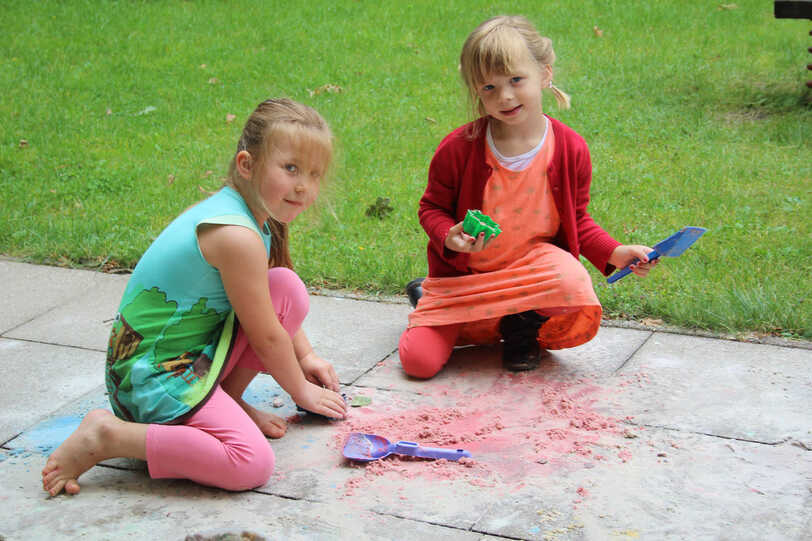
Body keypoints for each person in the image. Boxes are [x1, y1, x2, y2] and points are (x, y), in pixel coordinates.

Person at [42, 98, 347, 496]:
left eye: (314, 173)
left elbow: (269, 310)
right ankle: (109, 437)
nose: (304, 185)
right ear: (247, 165)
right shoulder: (237, 235)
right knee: (249, 463)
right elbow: (266, 336)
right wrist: (300, 389)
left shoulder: (247, 214)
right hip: (153, 382)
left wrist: (304, 357)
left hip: (177, 361)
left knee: (285, 287)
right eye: (290, 168)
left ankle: (225, 401)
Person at [400, 15, 658, 379]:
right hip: (467, 278)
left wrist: (616, 252)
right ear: (476, 90)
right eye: (488, 88)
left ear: (545, 74)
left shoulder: (570, 148)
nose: (504, 96)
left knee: (571, 281)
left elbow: (577, 220)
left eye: (516, 80)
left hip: (532, 274)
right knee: (419, 363)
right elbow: (432, 208)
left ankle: (520, 325)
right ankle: (434, 301)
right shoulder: (459, 148)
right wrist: (448, 235)